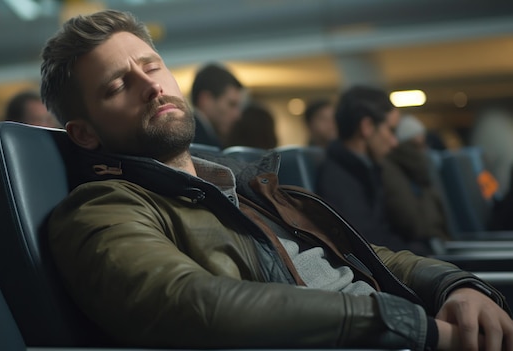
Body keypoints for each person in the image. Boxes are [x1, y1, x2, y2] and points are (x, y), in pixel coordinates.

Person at [40, 9, 513, 350]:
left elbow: (360, 255)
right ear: (84, 134)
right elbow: (191, 306)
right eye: (117, 86)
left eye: (151, 66)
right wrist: (414, 326)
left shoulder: (242, 184)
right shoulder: (101, 209)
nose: (151, 86)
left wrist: (455, 286)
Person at [315, 86, 432, 255]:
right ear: (367, 126)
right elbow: (370, 247)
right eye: (391, 131)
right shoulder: (338, 179)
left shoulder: (364, 168)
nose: (394, 142)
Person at [381, 114, 452, 245]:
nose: (424, 152)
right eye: (417, 145)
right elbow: (417, 224)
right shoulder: (392, 173)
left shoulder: (419, 174)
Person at [190, 62, 245, 148]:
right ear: (205, 100)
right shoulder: (195, 141)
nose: (237, 115)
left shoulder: (199, 136)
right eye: (231, 104)